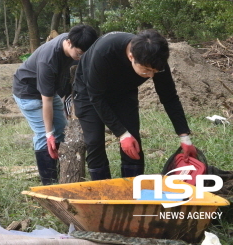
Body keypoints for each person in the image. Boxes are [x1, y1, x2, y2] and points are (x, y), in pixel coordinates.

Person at [73, 29, 198, 180]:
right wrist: (121, 134)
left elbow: (169, 97)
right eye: (146, 70)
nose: (151, 75)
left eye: (154, 71)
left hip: (124, 91)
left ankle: (134, 188)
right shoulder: (104, 52)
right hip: (89, 91)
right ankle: (103, 190)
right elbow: (96, 97)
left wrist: (184, 136)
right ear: (131, 56)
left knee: (133, 140)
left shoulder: (155, 59)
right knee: (94, 141)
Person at [12, 24, 98, 185]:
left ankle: (60, 173)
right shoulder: (48, 60)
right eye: (79, 54)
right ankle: (49, 183)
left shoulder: (74, 39)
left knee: (62, 130)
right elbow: (47, 101)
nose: (80, 57)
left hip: (49, 91)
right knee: (45, 136)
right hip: (28, 93)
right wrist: (48, 133)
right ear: (69, 42)